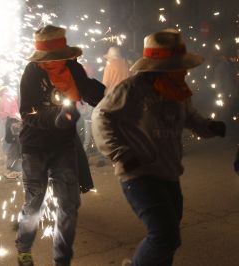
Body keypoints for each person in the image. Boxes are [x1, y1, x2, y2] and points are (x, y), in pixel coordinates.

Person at [92, 29, 226, 266]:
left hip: (169, 173)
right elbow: (101, 116)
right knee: (165, 236)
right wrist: (120, 153)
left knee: (168, 240)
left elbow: (190, 117)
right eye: (178, 66)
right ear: (161, 67)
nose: (184, 70)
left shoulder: (178, 91)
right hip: (139, 175)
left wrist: (209, 127)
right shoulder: (131, 89)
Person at [15, 25, 105, 266]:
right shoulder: (32, 73)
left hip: (64, 145)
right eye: (48, 60)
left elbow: (91, 94)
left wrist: (102, 93)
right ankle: (24, 247)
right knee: (35, 202)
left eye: (57, 58)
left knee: (70, 204)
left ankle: (62, 259)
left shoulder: (72, 68)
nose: (52, 64)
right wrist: (54, 119)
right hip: (34, 147)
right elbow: (27, 112)